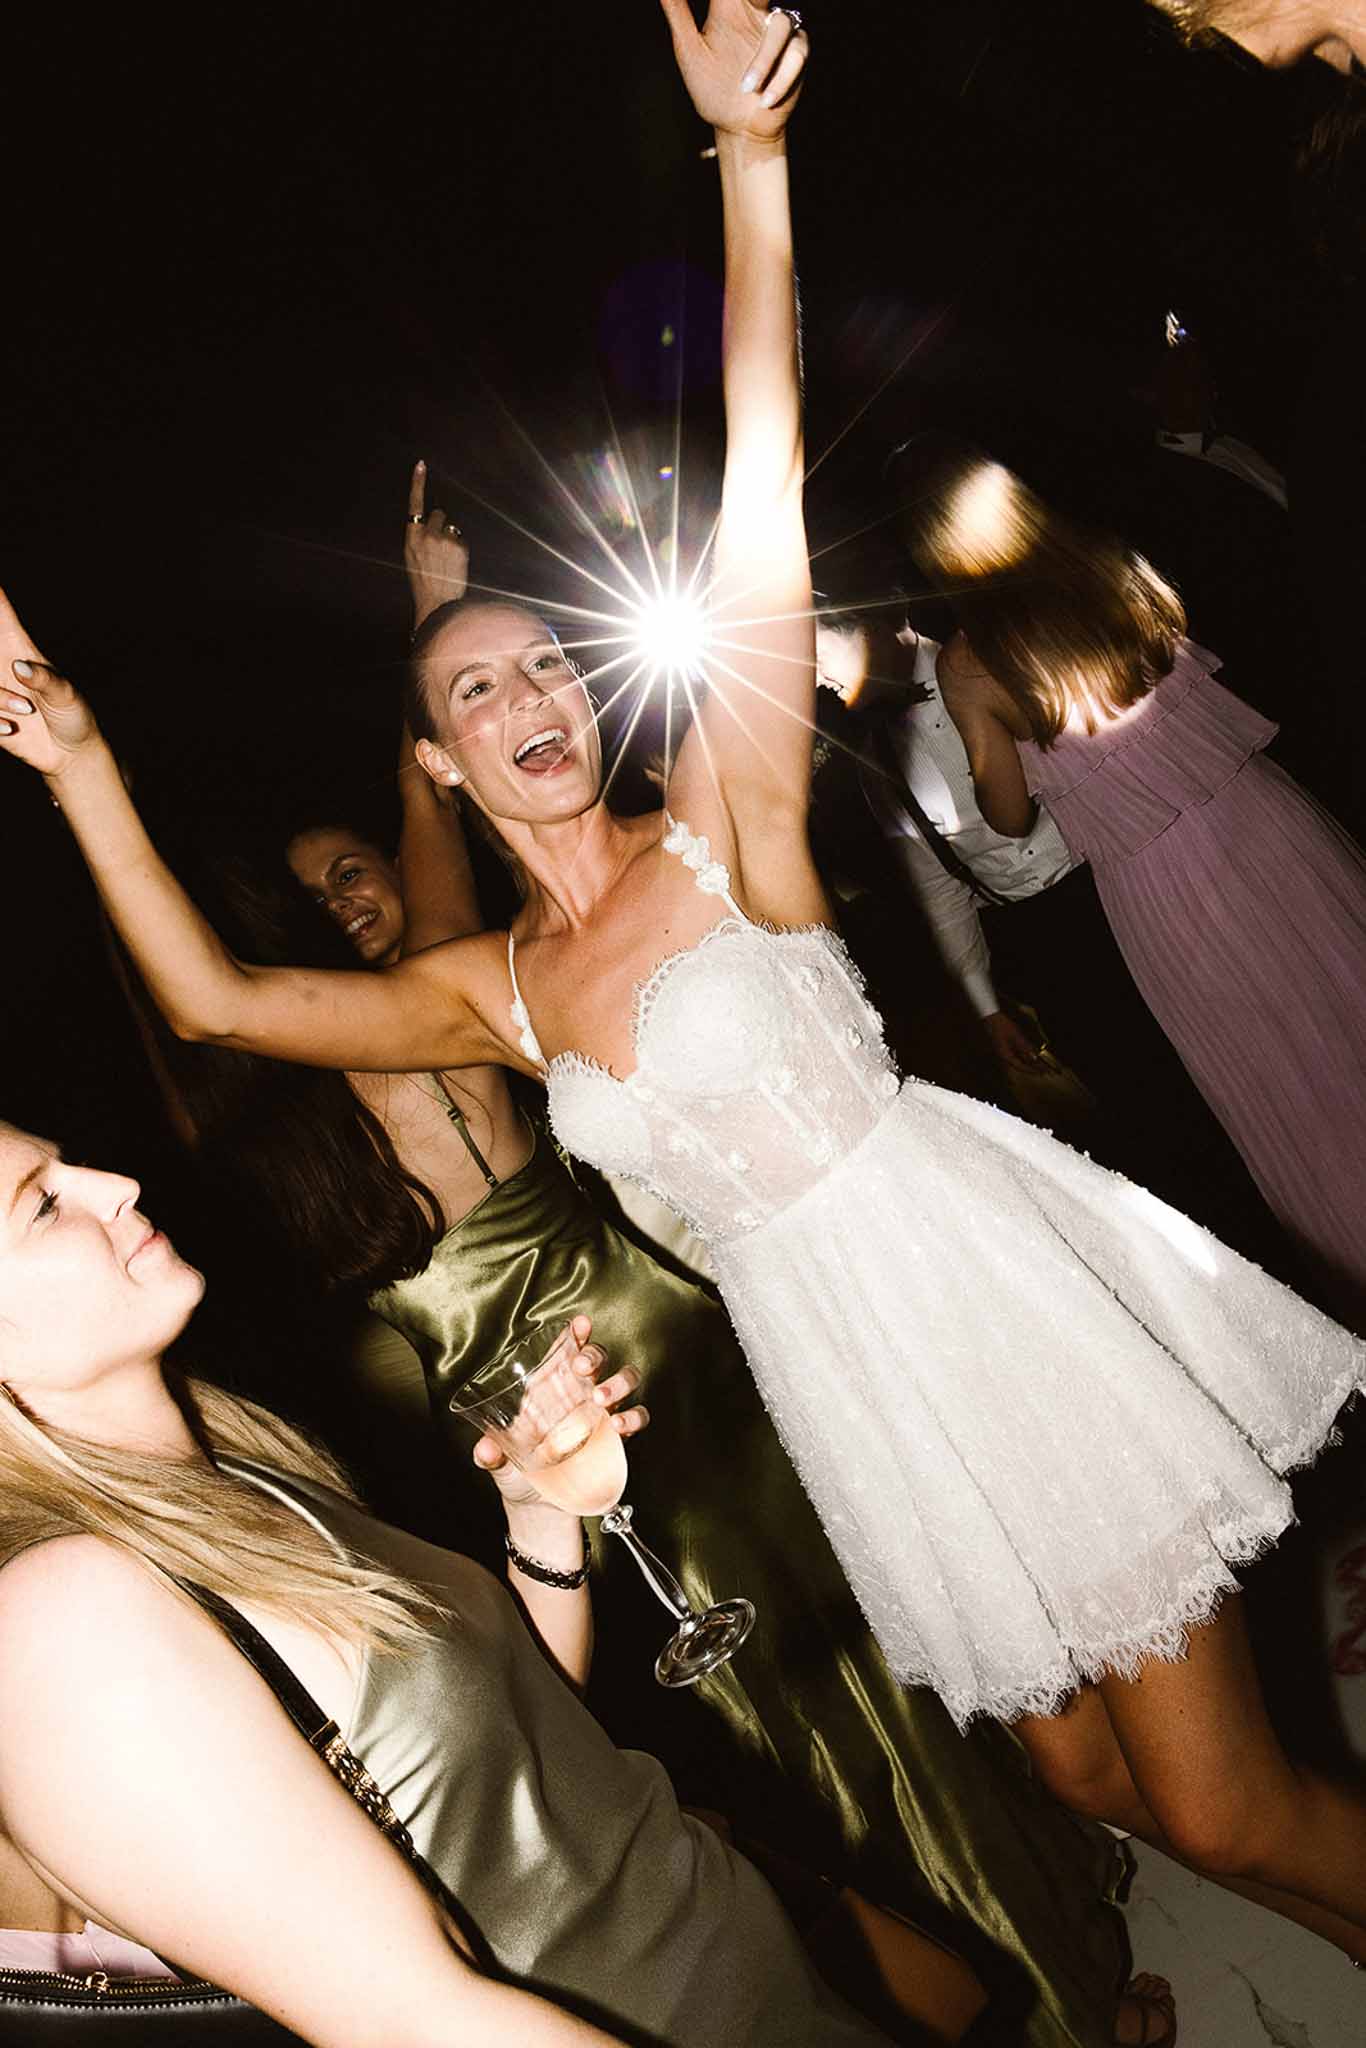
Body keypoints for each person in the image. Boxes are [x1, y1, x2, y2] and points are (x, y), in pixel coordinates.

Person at [3, 0, 1364, 1991]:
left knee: (1225, 1801)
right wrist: (75, 767)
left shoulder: (722, 823)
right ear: (442, 768)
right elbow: (212, 1004)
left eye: (542, 664)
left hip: (969, 1292)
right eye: (471, 692)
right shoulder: (496, 987)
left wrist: (749, 162)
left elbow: (746, 494)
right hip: (844, 1385)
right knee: (1107, 1794)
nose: (526, 696)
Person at [0, 1114, 1002, 2047]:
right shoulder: (57, 1628)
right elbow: (426, 2020)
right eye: (42, 1203)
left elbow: (517, 1750)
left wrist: (538, 1509)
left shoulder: (231, 1464)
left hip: (739, 1962)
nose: (116, 1183)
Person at [899, 442, 1366, 1333]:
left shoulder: (970, 662)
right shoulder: (1108, 566)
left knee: (1297, 1090)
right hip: (1265, 825)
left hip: (1171, 891)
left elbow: (1006, 817)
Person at [812, 593, 1288, 1262]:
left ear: (877, 620)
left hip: (1123, 888)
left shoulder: (999, 662)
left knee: (1232, 1069)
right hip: (1039, 942)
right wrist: (985, 1004)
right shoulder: (874, 763)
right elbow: (939, 886)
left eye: (816, 654)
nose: (811, 679)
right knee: (1147, 1121)